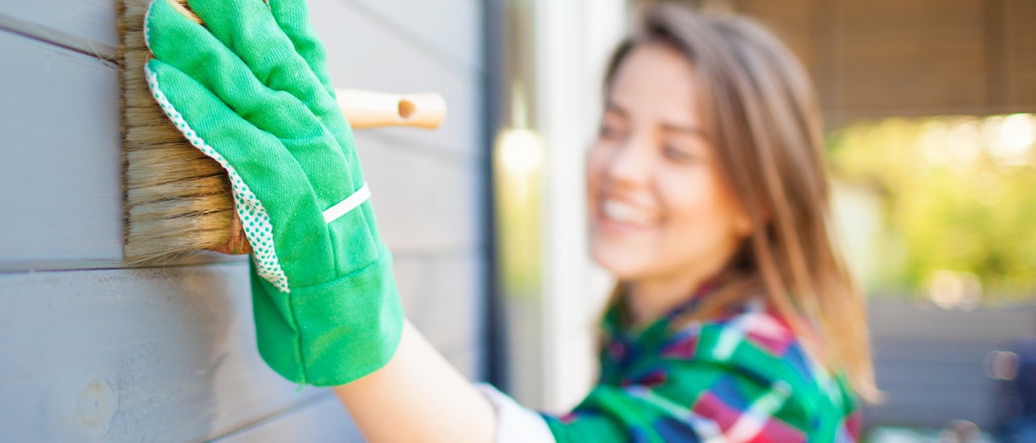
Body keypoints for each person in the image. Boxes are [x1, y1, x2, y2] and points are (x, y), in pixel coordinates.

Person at [142, 1, 878, 441]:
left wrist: (350, 303)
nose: (621, 167)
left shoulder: (764, 369)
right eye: (614, 126)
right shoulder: (651, 323)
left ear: (759, 199)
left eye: (677, 150)